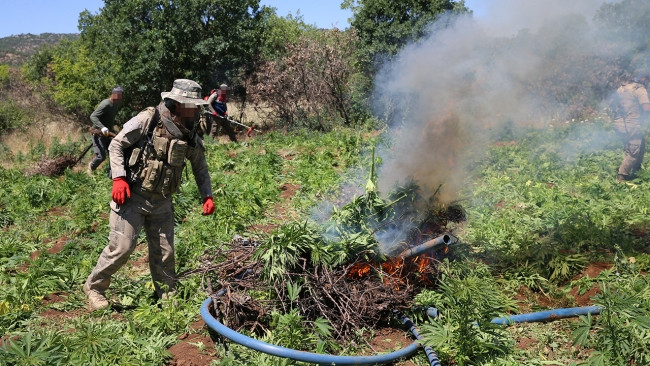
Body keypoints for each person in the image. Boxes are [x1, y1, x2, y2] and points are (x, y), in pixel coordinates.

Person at [83, 79, 215, 310]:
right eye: (190, 105)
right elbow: (116, 145)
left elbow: (199, 165)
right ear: (176, 102)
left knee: (165, 252)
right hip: (132, 195)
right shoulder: (149, 119)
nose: (195, 109)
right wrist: (119, 178)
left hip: (162, 199)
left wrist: (207, 195)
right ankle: (94, 288)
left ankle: (167, 294)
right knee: (121, 248)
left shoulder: (190, 128)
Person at [612, 70, 650, 182]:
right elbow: (646, 108)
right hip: (632, 125)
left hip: (619, 124)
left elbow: (614, 105)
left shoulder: (622, 88)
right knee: (633, 152)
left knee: (640, 145)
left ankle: (637, 171)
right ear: (644, 79)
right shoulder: (640, 89)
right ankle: (622, 177)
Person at [88, 86, 124, 175]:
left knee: (114, 154)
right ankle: (90, 168)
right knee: (101, 157)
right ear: (114, 94)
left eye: (121, 95)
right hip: (98, 133)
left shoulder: (115, 105)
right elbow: (93, 116)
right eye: (118, 95)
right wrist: (102, 127)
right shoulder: (106, 104)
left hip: (108, 134)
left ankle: (111, 175)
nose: (120, 98)